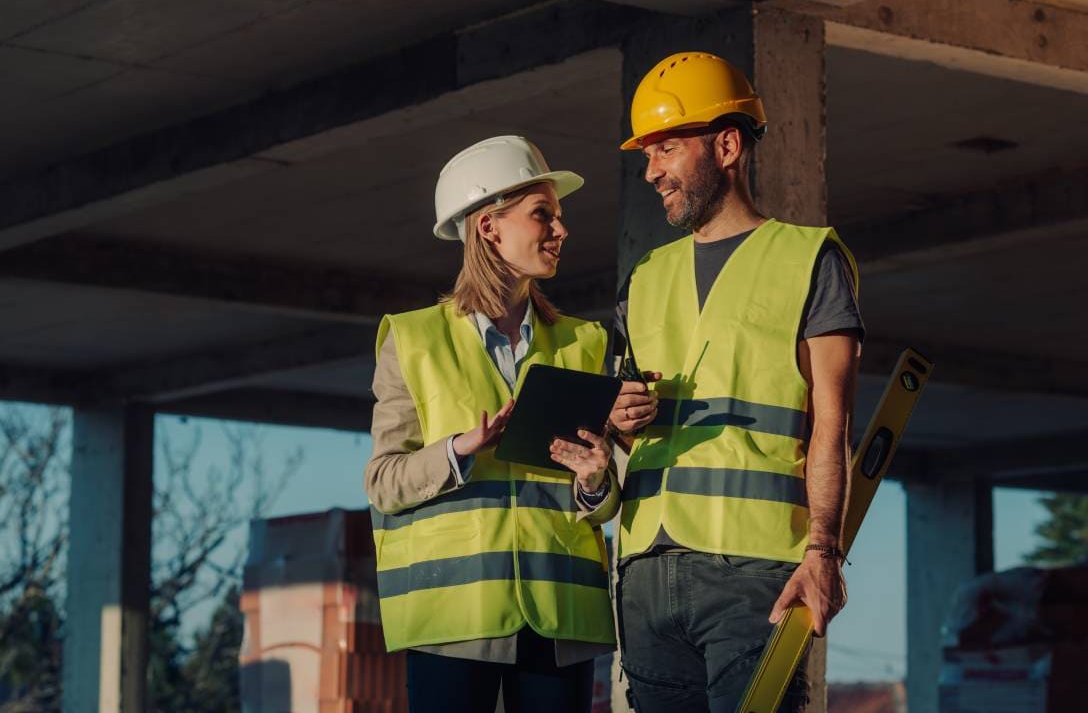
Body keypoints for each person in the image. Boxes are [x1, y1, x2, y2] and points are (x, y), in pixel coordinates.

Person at [607, 52, 865, 712]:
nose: (650, 171)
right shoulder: (644, 278)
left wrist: (824, 551)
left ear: (726, 145)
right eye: (646, 155)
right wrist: (617, 420)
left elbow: (832, 422)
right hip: (644, 571)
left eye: (664, 149)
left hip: (755, 574)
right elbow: (624, 429)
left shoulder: (809, 259)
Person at [365, 135, 626, 713]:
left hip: (561, 619)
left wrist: (594, 481)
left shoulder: (586, 343)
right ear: (489, 227)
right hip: (452, 621)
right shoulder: (413, 340)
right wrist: (461, 448)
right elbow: (383, 482)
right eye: (543, 216)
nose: (561, 231)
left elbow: (604, 505)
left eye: (558, 217)